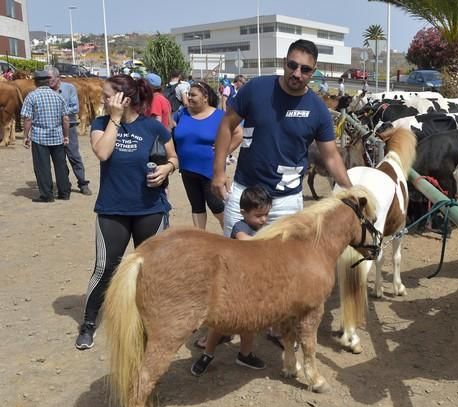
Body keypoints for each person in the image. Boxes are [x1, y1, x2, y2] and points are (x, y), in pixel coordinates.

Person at [212, 38, 352, 346]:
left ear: (313, 72)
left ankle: (276, 324)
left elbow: (330, 156)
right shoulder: (256, 90)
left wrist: (349, 188)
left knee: (282, 266)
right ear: (284, 62)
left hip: (287, 201)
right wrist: (219, 171)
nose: (297, 73)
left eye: (305, 69)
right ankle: (223, 324)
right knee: (233, 260)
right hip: (245, 194)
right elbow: (226, 126)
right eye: (292, 65)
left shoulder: (317, 109)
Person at [75, 74, 179, 350]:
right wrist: (115, 118)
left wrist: (166, 169)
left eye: (108, 95)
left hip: (151, 209)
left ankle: (151, 322)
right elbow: (103, 153)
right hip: (113, 209)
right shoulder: (101, 124)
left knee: (151, 270)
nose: (103, 99)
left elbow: (173, 157)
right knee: (105, 268)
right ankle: (88, 323)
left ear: (125, 98)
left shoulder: (153, 127)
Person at [190, 185, 273, 375]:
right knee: (221, 325)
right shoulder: (240, 227)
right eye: (259, 215)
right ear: (244, 212)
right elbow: (246, 243)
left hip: (252, 287)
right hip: (233, 286)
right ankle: (208, 354)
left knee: (249, 324)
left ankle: (245, 354)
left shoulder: (262, 227)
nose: (264, 220)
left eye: (267, 215)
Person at [172, 81, 225, 229]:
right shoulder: (181, 113)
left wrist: (225, 149)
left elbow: (238, 133)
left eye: (193, 95)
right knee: (196, 206)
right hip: (187, 169)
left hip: (210, 170)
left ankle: (230, 236)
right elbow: (168, 127)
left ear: (205, 97)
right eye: (188, 94)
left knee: (216, 205)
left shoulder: (219, 115)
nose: (189, 97)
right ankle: (200, 237)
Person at [20, 70, 71, 203]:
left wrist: (25, 136)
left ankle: (47, 195)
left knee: (42, 167)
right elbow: (65, 119)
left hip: (39, 137)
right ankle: (64, 193)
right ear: (48, 81)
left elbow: (28, 119)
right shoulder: (58, 96)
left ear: (35, 82)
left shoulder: (32, 96)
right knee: (60, 165)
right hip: (57, 136)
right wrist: (66, 136)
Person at [47, 66, 92, 195]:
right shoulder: (46, 90)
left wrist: (59, 112)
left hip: (70, 126)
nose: (48, 81)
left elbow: (75, 107)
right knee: (59, 157)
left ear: (58, 77)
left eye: (50, 78)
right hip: (53, 128)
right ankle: (64, 183)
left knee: (74, 156)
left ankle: (83, 183)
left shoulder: (69, 88)